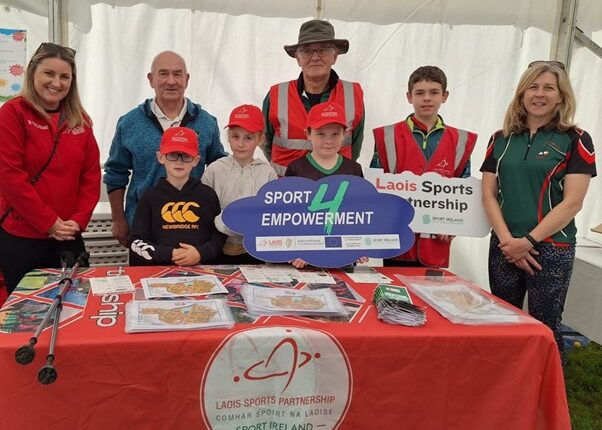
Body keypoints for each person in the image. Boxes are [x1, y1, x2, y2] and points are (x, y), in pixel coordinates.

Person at [480, 60, 596, 363]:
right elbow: (489, 195)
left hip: (551, 248)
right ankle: (505, 386)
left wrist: (527, 242)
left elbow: (573, 202)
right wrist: (509, 242)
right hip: (504, 246)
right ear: (522, 94)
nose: (539, 94)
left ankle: (546, 397)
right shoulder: (500, 138)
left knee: (545, 326)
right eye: (533, 86)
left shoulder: (576, 139)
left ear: (561, 95)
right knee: (503, 320)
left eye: (548, 88)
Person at [0, 42, 101, 293]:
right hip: (23, 237)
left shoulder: (81, 120)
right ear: (33, 72)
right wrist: (49, 223)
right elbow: (10, 176)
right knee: (26, 315)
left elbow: (90, 175)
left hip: (68, 237)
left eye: (64, 76)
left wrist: (77, 221)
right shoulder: (12, 113)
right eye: (49, 73)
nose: (56, 82)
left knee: (74, 309)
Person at [104, 51, 227, 247]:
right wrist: (119, 220)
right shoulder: (128, 123)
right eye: (163, 74)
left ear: (186, 80)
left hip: (194, 226)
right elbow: (115, 173)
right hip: (143, 228)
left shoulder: (207, 123)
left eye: (177, 74)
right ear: (151, 79)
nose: (171, 81)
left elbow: (220, 169)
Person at [371, 65, 477, 268]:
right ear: (409, 97)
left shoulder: (461, 141)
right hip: (397, 239)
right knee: (397, 297)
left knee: (430, 298)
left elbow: (463, 192)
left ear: (444, 96)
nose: (426, 98)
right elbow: (376, 188)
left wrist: (454, 224)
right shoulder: (387, 137)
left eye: (434, 92)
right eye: (420, 93)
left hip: (437, 241)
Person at [262, 19, 365, 176]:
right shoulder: (276, 94)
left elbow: (355, 146)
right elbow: (265, 141)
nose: (315, 57)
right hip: (287, 192)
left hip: (336, 190)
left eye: (322, 50)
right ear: (298, 58)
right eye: (307, 51)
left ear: (335, 56)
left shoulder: (352, 93)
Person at [128, 127, 225, 266]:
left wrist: (200, 253)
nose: (179, 162)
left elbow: (219, 237)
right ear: (160, 157)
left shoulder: (208, 195)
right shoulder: (149, 197)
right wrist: (169, 254)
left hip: (201, 272)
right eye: (172, 155)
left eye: (186, 156)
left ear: (196, 160)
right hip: (158, 274)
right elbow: (136, 242)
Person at [285, 101, 365, 268]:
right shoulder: (296, 168)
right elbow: (288, 217)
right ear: (307, 133)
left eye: (335, 134)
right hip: (305, 259)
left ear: (345, 134)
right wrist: (294, 250)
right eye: (321, 134)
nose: (328, 141)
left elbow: (361, 214)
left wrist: (361, 245)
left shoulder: (354, 169)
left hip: (343, 258)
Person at [201, 104, 278, 264]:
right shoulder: (214, 170)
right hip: (218, 248)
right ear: (228, 137)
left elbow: (271, 214)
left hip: (255, 250)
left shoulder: (268, 173)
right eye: (235, 136)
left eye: (248, 137)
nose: (241, 144)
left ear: (260, 139)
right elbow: (205, 211)